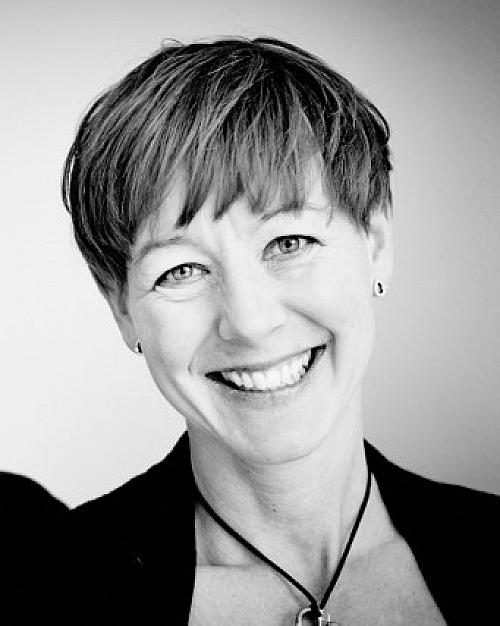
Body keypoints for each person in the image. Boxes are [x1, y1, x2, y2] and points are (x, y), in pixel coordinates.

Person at [60, 37, 499, 625]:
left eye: (289, 242)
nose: (249, 322)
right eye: (181, 270)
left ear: (376, 244)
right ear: (121, 309)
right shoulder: (48, 590)